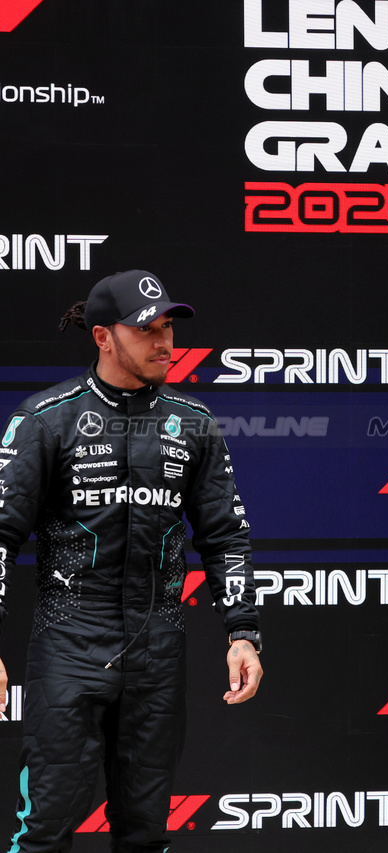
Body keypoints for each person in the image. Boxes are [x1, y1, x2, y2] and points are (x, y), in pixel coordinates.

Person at [0, 269, 263, 852]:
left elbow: (225, 537)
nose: (164, 342)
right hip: (69, 637)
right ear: (102, 336)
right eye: (146, 329)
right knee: (44, 831)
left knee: (145, 834)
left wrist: (242, 632)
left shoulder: (194, 424)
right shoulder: (45, 420)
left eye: (167, 327)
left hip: (158, 646)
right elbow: (0, 533)